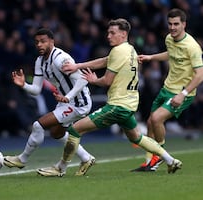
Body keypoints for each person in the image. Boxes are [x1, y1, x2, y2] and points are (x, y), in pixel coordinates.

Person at [37, 18, 182, 177]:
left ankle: (60, 168)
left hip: (116, 106)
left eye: (113, 33)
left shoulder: (118, 51)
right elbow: (104, 61)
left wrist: (94, 80)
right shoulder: (130, 49)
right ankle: (170, 160)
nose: (108, 36)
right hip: (129, 103)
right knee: (137, 137)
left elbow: (107, 81)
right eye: (108, 32)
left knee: (74, 130)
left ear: (123, 34)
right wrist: (78, 66)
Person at [3, 28, 95, 176]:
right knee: (56, 133)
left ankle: (22, 159)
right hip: (66, 102)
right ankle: (86, 158)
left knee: (38, 125)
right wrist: (24, 85)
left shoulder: (60, 59)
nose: (39, 45)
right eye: (37, 42)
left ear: (52, 42)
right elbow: (37, 90)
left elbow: (82, 79)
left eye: (43, 41)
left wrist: (69, 97)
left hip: (79, 102)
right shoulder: (40, 61)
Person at [132, 8, 203, 172]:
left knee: (156, 119)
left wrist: (183, 94)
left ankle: (160, 156)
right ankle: (149, 163)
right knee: (150, 123)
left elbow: (200, 75)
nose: (172, 27)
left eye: (176, 24)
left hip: (182, 93)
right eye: (170, 24)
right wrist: (151, 57)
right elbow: (170, 54)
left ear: (184, 24)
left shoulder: (192, 47)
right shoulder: (169, 39)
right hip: (167, 88)